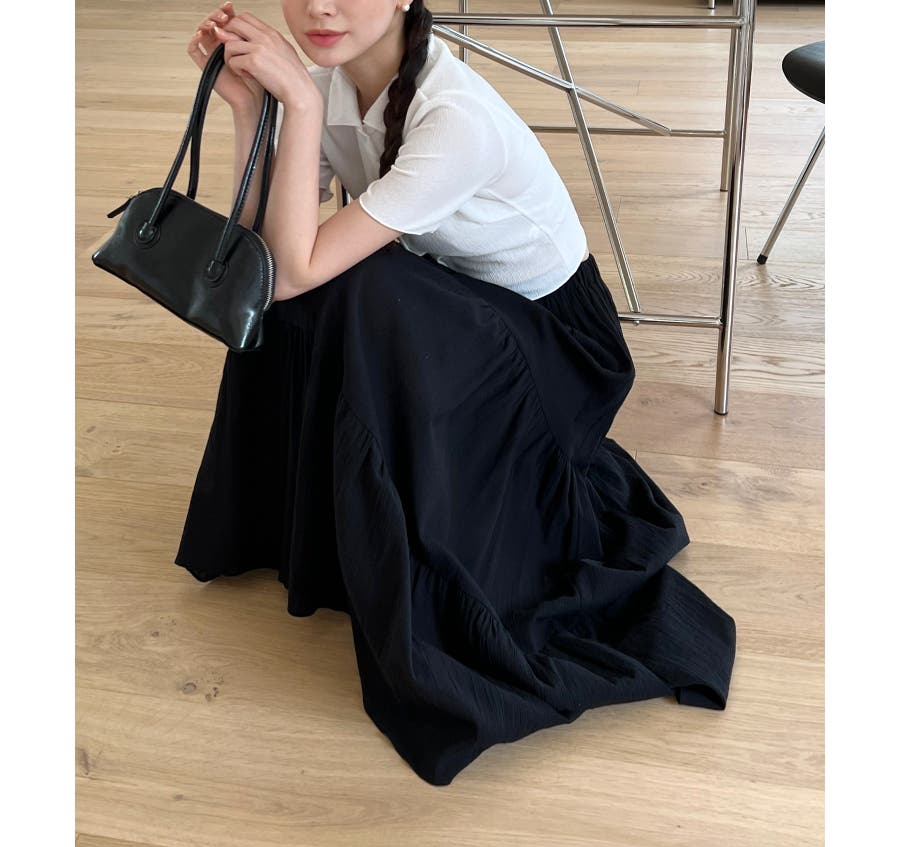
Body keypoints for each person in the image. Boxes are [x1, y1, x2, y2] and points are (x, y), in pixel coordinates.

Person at [177, 1, 737, 786]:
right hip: (468, 303)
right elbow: (261, 262)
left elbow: (295, 267)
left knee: (360, 286)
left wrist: (295, 100)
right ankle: (298, 523)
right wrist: (252, 111)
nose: (319, 7)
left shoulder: (454, 118)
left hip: (560, 351)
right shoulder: (337, 89)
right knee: (324, 294)